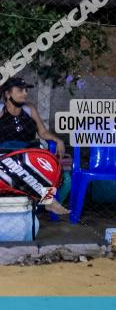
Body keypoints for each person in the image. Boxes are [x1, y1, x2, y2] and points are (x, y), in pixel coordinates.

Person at [0, 77, 68, 214]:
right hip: (4, 156)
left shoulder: (29, 109)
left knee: (52, 168)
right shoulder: (0, 110)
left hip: (27, 154)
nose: (25, 93)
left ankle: (48, 202)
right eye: (20, 90)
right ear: (8, 94)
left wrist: (57, 140)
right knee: (22, 169)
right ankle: (50, 202)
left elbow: (42, 132)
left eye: (26, 90)